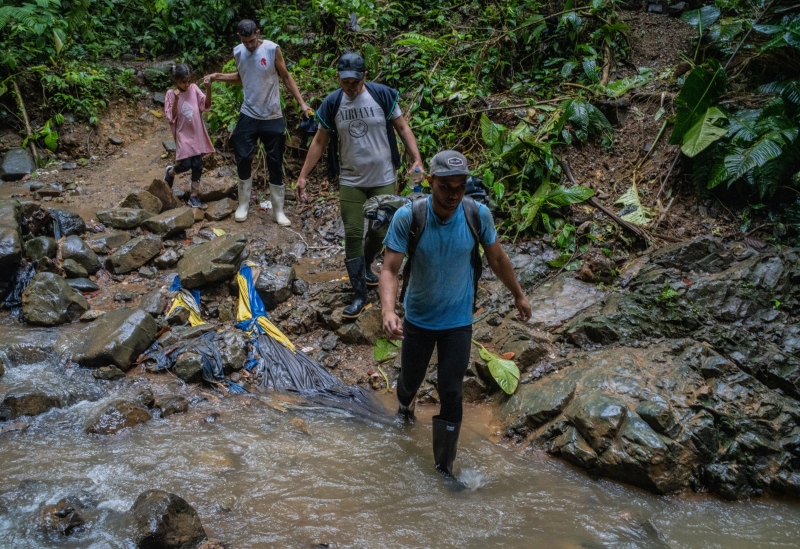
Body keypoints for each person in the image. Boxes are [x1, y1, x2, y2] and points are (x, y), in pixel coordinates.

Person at [379, 150, 532, 480]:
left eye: (459, 187)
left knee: (451, 389)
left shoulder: (477, 215)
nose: (452, 195)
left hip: (458, 321)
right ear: (430, 182)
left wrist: (518, 294)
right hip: (418, 318)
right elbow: (390, 268)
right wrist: (389, 311)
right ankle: (405, 407)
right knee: (409, 380)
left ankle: (443, 468)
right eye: (445, 187)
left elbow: (497, 259)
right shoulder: (410, 217)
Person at [296, 52, 423, 320]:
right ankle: (359, 295)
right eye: (345, 82)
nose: (350, 87)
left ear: (365, 76)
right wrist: (303, 175)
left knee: (380, 231)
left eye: (354, 81)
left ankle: (364, 266)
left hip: (383, 177)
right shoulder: (333, 103)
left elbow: (402, 127)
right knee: (353, 233)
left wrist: (416, 158)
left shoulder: (382, 96)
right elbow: (319, 141)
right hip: (351, 179)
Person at [206, 19, 311, 225]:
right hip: (249, 113)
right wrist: (218, 76)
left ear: (258, 33)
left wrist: (302, 103)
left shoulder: (272, 49)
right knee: (243, 157)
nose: (250, 45)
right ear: (240, 38)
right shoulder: (238, 51)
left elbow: (286, 77)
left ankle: (278, 210)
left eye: (252, 41)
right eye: (246, 42)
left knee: (275, 161)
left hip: (272, 114)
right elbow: (242, 77)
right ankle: (243, 204)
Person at [163, 63, 214, 208]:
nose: (186, 85)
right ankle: (171, 172)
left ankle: (194, 195)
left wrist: (208, 89)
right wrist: (177, 100)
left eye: (188, 81)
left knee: (197, 165)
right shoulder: (170, 94)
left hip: (196, 134)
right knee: (186, 164)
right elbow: (171, 117)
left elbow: (206, 105)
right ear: (175, 81)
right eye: (182, 82)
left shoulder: (194, 88)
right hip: (183, 134)